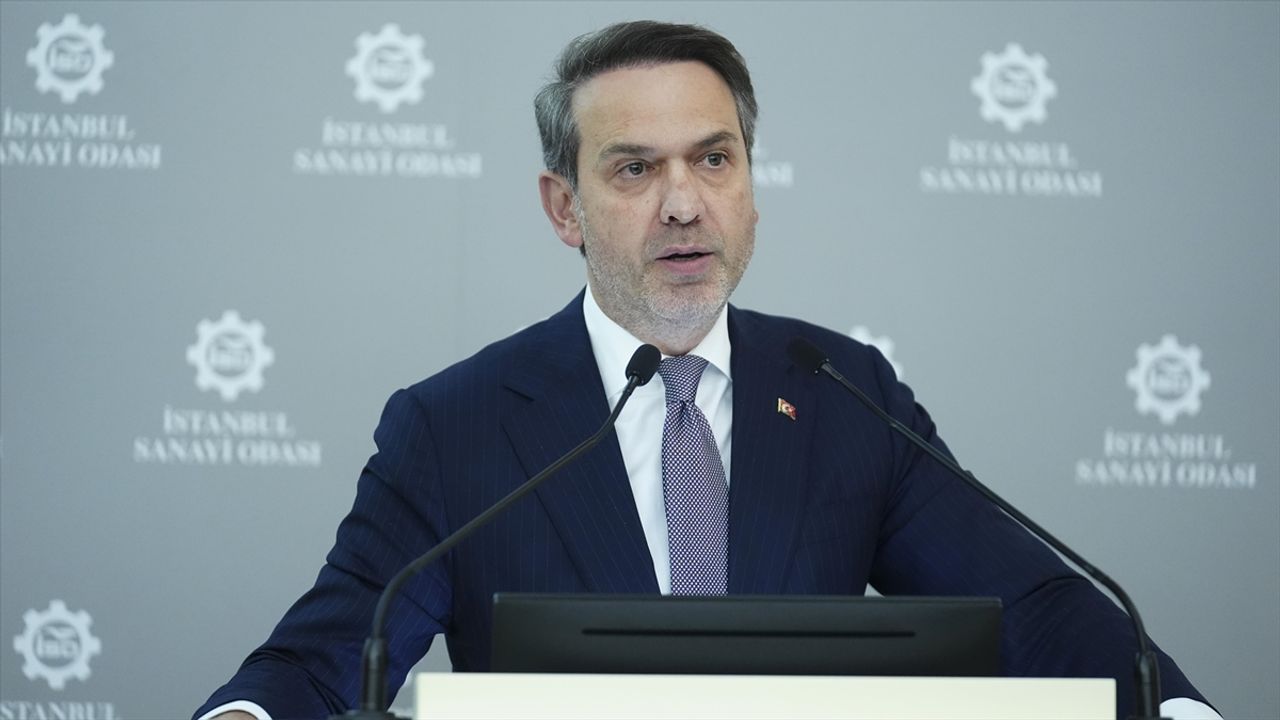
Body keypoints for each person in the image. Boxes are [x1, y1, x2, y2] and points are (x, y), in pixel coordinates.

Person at [197, 21, 1217, 720]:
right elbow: (331, 656)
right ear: (564, 208)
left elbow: (1030, 609)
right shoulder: (455, 424)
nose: (683, 203)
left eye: (713, 159)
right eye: (636, 168)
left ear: (750, 185)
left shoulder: (845, 392)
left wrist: (1171, 708)